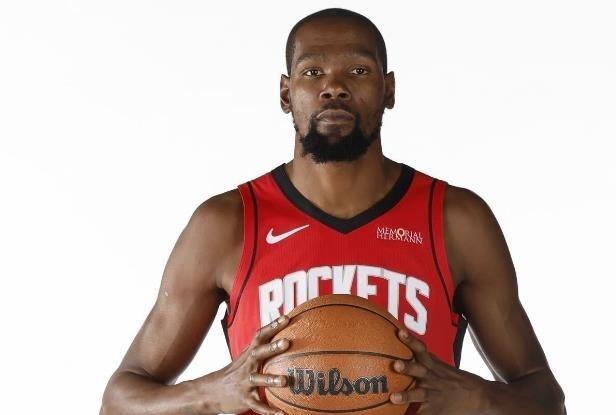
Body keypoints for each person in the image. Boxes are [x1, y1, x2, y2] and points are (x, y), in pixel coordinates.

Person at [100, 8, 565, 415]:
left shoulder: (455, 220)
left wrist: (474, 396)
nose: (335, 88)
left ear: (388, 89)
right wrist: (214, 392)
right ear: (286, 94)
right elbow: (119, 401)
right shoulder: (227, 224)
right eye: (312, 72)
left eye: (358, 71)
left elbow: (547, 401)